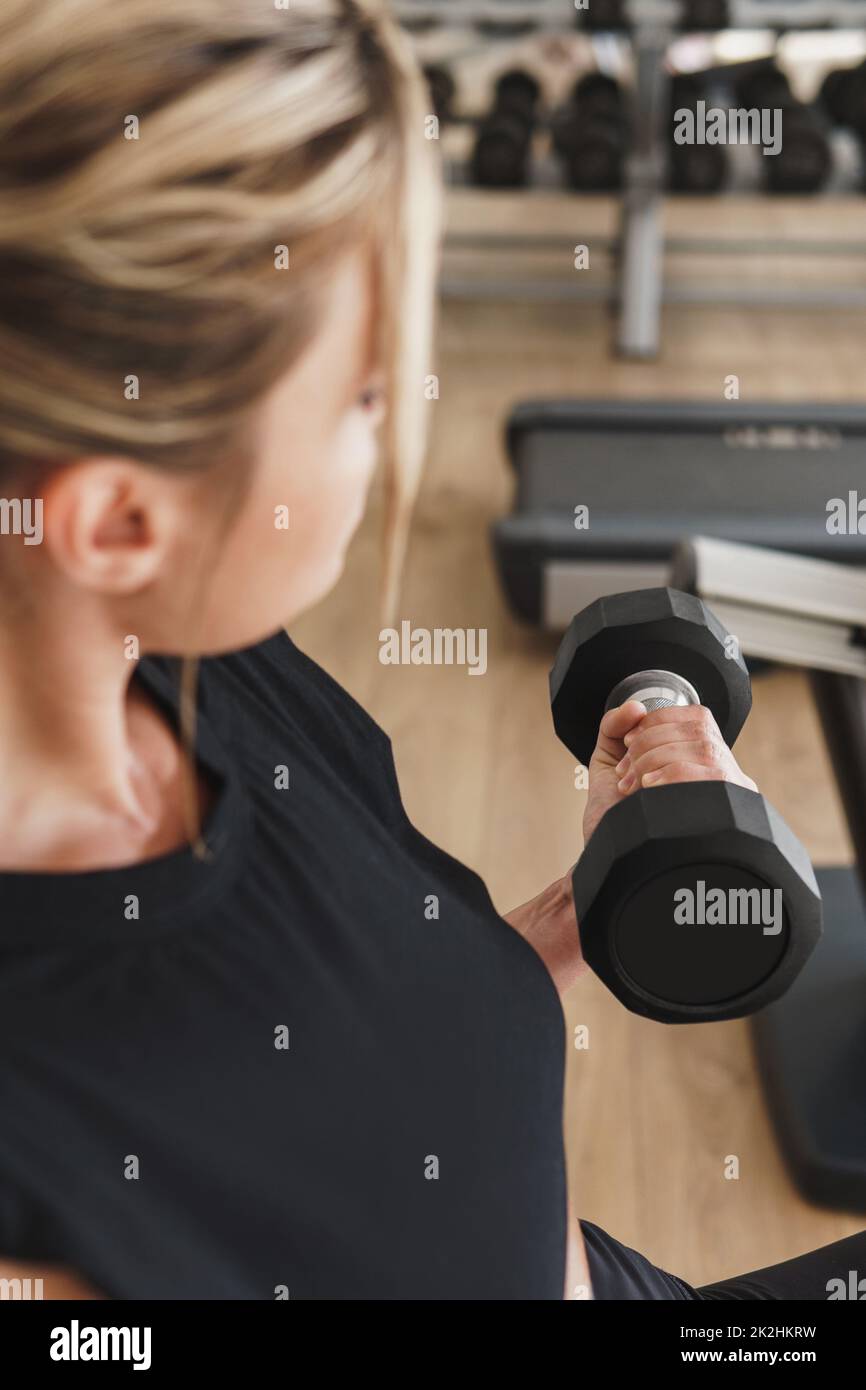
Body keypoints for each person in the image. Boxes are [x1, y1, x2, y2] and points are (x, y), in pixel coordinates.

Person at [0, 0, 861, 1301]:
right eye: (358, 397)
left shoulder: (192, 674)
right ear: (121, 520)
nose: (393, 431)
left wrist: (566, 921)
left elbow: (325, 1074)